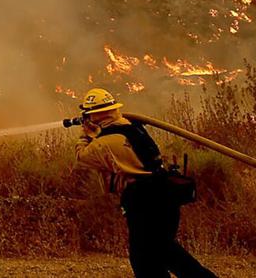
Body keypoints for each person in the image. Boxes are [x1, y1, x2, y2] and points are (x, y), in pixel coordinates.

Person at [74, 88, 215, 278]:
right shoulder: (130, 125)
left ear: (95, 115)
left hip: (143, 200)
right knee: (155, 256)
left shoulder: (107, 141)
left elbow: (82, 158)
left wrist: (85, 136)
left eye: (88, 114)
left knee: (152, 256)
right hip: (163, 194)